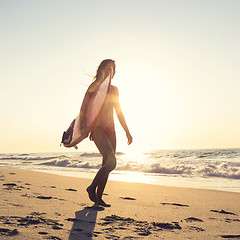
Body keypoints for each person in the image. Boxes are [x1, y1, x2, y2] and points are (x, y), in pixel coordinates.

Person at [85, 59, 132, 207]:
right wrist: (85, 130)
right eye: (109, 68)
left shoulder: (114, 89)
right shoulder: (94, 86)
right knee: (112, 162)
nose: (112, 71)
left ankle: (98, 198)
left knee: (106, 163)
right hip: (98, 129)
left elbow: (118, 111)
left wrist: (127, 131)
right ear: (102, 70)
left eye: (114, 69)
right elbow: (85, 110)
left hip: (111, 130)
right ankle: (91, 188)